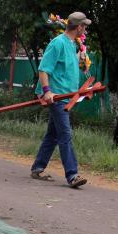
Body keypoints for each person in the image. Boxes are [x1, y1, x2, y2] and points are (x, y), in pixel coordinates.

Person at [31, 12, 92, 188]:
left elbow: (68, 70)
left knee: (53, 134)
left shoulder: (74, 45)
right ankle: (72, 175)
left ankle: (38, 167)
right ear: (78, 27)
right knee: (65, 134)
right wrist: (47, 91)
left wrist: (81, 63)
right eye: (84, 26)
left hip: (68, 96)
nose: (85, 29)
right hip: (56, 97)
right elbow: (44, 69)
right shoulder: (57, 43)